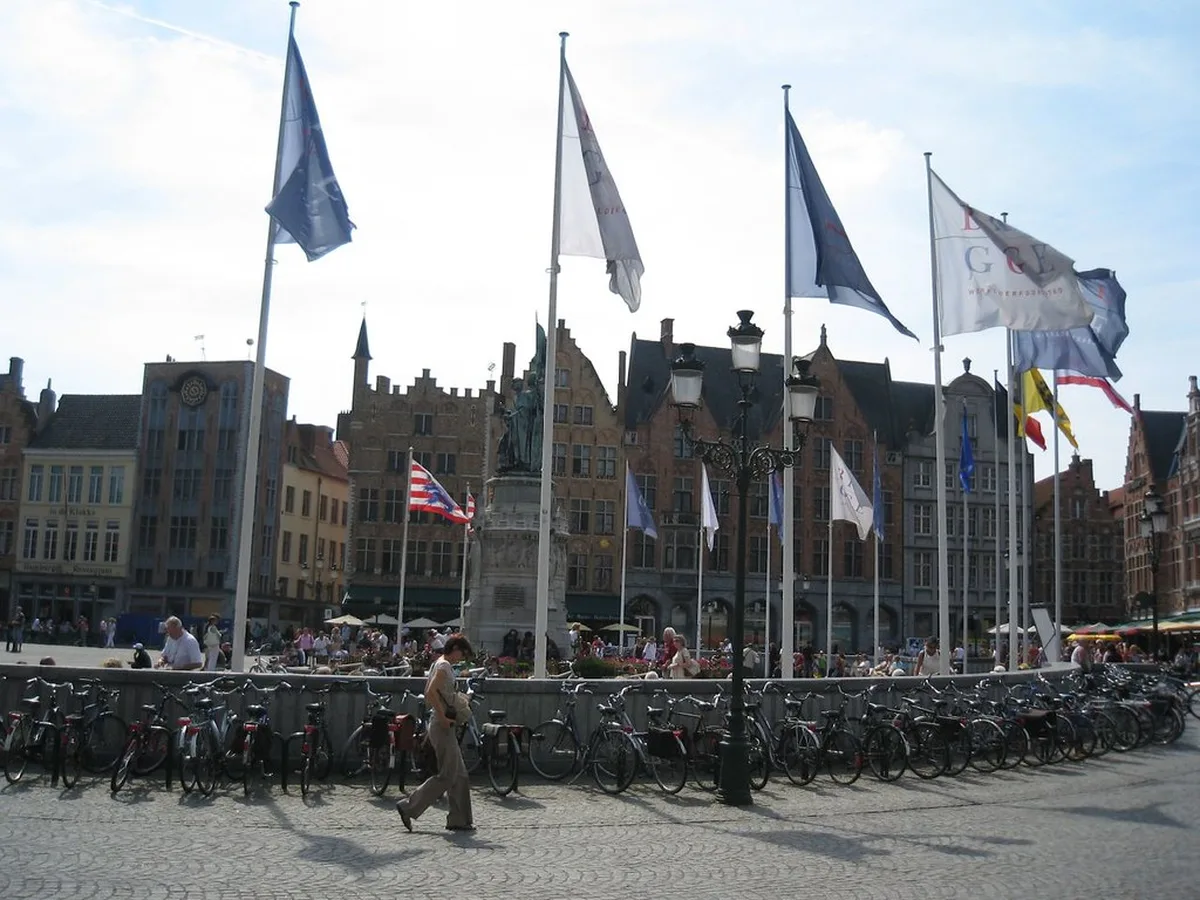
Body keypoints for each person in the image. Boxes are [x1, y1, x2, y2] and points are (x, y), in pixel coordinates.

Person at [396, 635, 474, 833]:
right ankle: (408, 807)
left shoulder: (438, 664)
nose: (461, 659)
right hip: (441, 725)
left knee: (460, 773)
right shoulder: (444, 666)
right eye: (461, 654)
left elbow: (429, 691)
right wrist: (443, 716)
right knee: (448, 775)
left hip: (440, 724)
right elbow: (430, 692)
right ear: (454, 648)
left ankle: (459, 819)